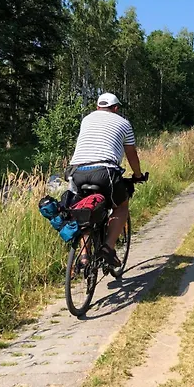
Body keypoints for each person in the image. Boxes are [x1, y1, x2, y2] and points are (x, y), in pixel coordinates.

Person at [67, 93, 145, 266]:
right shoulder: (124, 123)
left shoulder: (86, 119)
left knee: (85, 210)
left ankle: (84, 255)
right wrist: (138, 175)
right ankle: (108, 248)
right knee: (121, 206)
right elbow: (131, 153)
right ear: (116, 108)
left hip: (76, 171)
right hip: (104, 172)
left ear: (97, 107)